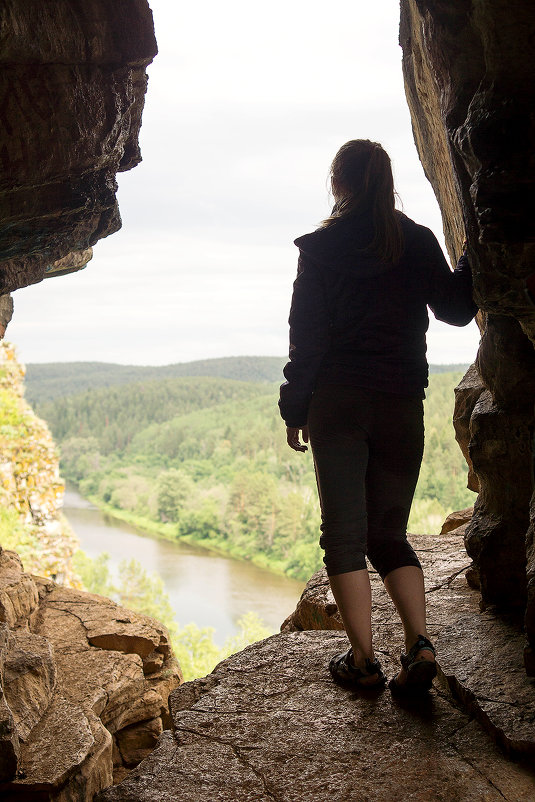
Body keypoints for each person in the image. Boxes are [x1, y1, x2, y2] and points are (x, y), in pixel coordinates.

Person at [278, 139, 477, 693]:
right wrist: (468, 254)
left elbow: (307, 340)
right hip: (400, 404)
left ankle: (363, 662)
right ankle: (419, 643)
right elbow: (458, 312)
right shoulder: (414, 241)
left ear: (338, 184)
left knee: (343, 537)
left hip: (337, 404)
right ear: (388, 182)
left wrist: (295, 407)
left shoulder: (320, 250)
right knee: (387, 532)